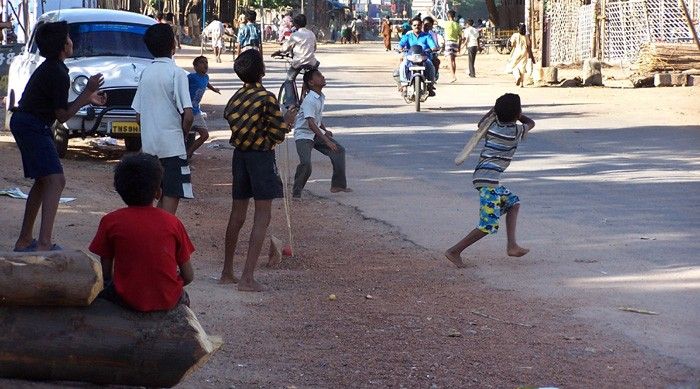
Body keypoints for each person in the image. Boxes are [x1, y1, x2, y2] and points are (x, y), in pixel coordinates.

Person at [10, 21, 105, 252]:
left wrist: (87, 97)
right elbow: (63, 116)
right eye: (69, 39)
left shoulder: (52, 68)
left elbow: (59, 111)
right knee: (56, 180)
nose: (72, 42)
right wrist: (87, 91)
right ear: (63, 46)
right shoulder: (58, 72)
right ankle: (43, 243)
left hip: (28, 123)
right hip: (33, 125)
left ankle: (25, 240)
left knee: (44, 182)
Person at [220, 50, 298, 291]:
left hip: (239, 156)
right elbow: (276, 132)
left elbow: (231, 119)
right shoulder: (266, 97)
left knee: (237, 214)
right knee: (262, 216)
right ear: (262, 71)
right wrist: (286, 121)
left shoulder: (236, 97)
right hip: (261, 158)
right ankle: (247, 278)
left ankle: (227, 272)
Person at [89, 153, 194, 312]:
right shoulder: (173, 223)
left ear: (120, 191)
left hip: (125, 299)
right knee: (183, 297)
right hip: (167, 299)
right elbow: (188, 276)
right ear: (158, 193)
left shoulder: (110, 221)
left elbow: (106, 273)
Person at [444, 93, 535, 268]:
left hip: (484, 177)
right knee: (488, 224)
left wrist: (492, 112)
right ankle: (454, 251)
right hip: (489, 181)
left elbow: (480, 126)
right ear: (517, 114)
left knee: (513, 203)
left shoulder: (492, 126)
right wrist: (519, 115)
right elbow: (530, 123)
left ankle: (512, 246)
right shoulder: (516, 131)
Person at [132, 23, 193, 215]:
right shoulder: (177, 73)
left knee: (152, 194)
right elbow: (188, 115)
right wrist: (182, 133)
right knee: (171, 194)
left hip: (150, 147)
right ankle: (161, 238)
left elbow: (138, 117)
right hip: (172, 146)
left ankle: (150, 235)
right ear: (173, 46)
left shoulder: (145, 73)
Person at [292, 69, 352, 199]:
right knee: (306, 164)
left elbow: (316, 118)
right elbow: (310, 123)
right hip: (303, 135)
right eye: (318, 75)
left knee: (339, 151)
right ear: (311, 82)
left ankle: (338, 185)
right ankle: (296, 192)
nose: (322, 76)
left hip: (315, 133)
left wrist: (325, 130)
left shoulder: (320, 97)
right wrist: (326, 140)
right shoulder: (310, 100)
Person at [271, 14, 318, 96]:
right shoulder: (311, 34)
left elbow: (285, 48)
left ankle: (291, 104)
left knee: (289, 80)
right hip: (311, 62)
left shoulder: (295, 35)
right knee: (309, 77)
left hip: (299, 62)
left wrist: (278, 52)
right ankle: (304, 95)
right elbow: (314, 48)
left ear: (296, 24)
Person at [187, 56, 220, 159]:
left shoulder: (206, 77)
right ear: (195, 66)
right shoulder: (191, 77)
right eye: (202, 63)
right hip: (187, 110)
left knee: (205, 135)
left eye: (206, 62)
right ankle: (181, 157)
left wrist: (214, 89)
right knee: (183, 135)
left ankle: (188, 152)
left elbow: (207, 84)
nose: (205, 64)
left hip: (196, 111)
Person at [398, 16, 438, 96]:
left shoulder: (427, 36)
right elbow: (400, 45)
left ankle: (430, 85)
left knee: (431, 66)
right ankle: (404, 85)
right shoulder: (408, 36)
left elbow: (433, 46)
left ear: (421, 25)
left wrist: (433, 48)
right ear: (411, 26)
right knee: (403, 65)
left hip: (424, 57)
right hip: (410, 58)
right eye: (415, 25)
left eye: (419, 25)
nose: (417, 27)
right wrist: (400, 48)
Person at [441, 10, 462, 82]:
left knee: (449, 60)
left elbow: (436, 20)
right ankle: (453, 75)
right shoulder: (457, 25)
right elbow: (461, 37)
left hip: (448, 42)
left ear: (448, 16)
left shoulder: (446, 23)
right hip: (455, 43)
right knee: (453, 60)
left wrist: (429, 12)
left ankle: (453, 76)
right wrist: (459, 47)